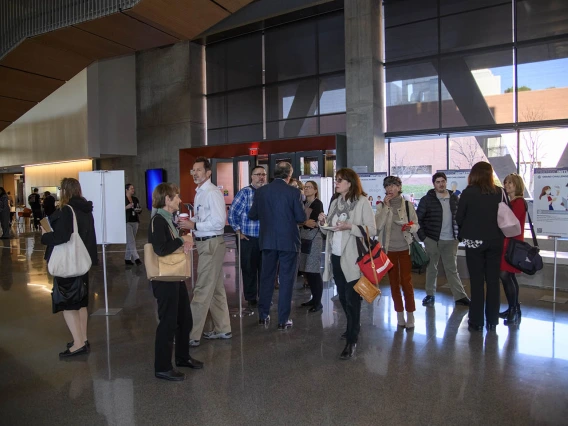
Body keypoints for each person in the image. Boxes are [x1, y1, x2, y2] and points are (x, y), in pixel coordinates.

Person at [318, 168, 375, 360]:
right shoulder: (335, 202)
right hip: (335, 256)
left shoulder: (361, 202)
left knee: (352, 299)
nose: (337, 182)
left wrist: (350, 226)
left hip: (353, 259)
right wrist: (322, 222)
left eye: (340, 180)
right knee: (342, 297)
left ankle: (352, 339)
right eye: (336, 179)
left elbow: (372, 230)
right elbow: (328, 232)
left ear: (350, 182)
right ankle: (353, 325)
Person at [149, 183, 203, 381]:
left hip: (174, 275)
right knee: (168, 322)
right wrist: (182, 240)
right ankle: (162, 366)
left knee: (184, 318)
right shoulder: (158, 221)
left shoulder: (167, 219)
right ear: (167, 200)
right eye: (176, 197)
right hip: (164, 279)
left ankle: (182, 357)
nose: (180, 200)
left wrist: (182, 238)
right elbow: (161, 249)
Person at [40, 178, 98, 357]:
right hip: (82, 262)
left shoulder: (67, 210)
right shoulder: (86, 208)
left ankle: (78, 344)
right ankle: (83, 338)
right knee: (80, 303)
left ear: (64, 191)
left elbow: (62, 237)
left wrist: (45, 236)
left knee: (68, 305)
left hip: (68, 265)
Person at [178, 157, 231, 346]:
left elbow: (219, 222)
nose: (195, 173)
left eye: (199, 170)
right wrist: (191, 226)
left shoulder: (212, 192)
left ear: (208, 172)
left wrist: (195, 224)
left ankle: (190, 335)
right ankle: (223, 328)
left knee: (201, 290)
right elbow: (203, 218)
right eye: (193, 170)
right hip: (204, 242)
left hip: (211, 244)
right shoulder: (200, 192)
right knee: (215, 289)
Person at [248, 161, 305, 330]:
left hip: (267, 241)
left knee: (266, 278)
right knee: (286, 280)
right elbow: (301, 217)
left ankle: (263, 315)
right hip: (289, 242)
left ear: (273, 174)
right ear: (289, 175)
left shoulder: (261, 192)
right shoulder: (294, 192)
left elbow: (252, 215)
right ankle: (283, 319)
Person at [456, 161, 504, 332]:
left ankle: (476, 321)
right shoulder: (500, 192)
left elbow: (459, 217)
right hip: (495, 240)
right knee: (493, 281)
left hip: (474, 241)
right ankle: (492, 319)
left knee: (477, 281)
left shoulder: (468, 193)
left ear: (474, 174)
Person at [416, 172, 470, 307]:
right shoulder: (427, 200)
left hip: (451, 240)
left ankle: (460, 296)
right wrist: (424, 238)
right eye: (438, 182)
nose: (441, 184)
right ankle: (430, 295)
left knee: (452, 269)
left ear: (446, 182)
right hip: (432, 239)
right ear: (434, 184)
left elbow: (461, 218)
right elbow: (417, 220)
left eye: (443, 181)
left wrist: (459, 236)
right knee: (431, 268)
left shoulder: (454, 199)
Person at [375, 176, 419, 329]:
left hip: (405, 248)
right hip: (388, 250)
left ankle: (411, 314)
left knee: (406, 282)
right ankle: (399, 314)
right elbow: (377, 226)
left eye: (393, 185)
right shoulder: (381, 206)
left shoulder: (407, 205)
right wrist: (386, 207)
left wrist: (410, 227)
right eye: (387, 186)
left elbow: (416, 224)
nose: (390, 189)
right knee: (393, 283)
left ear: (399, 187)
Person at [228, 166, 267, 308]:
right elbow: (232, 213)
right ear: (252, 177)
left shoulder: (268, 192)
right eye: (258, 174)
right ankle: (251, 298)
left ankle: (264, 297)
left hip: (265, 239)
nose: (261, 177)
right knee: (249, 269)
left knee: (265, 270)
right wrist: (238, 231)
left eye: (263, 174)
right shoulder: (244, 193)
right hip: (248, 239)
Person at [499, 173, 527, 326]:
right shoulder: (512, 201)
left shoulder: (518, 202)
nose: (507, 185)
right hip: (509, 244)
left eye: (511, 183)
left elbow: (509, 224)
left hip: (511, 245)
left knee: (505, 275)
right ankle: (514, 308)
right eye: (506, 182)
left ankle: (513, 310)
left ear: (517, 185)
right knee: (510, 277)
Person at [299, 180, 324, 312]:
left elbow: (313, 223)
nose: (306, 189)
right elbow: (302, 221)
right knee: (307, 270)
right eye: (305, 187)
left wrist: (301, 222)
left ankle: (318, 302)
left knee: (313, 270)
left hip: (314, 239)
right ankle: (313, 299)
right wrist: (303, 222)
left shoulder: (317, 203)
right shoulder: (303, 203)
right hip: (303, 239)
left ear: (315, 190)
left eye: (309, 187)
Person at [125, 184, 142, 266]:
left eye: (133, 188)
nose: (133, 190)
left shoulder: (135, 199)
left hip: (135, 221)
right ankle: (136, 258)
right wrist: (126, 207)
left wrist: (138, 210)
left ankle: (127, 259)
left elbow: (139, 209)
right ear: (126, 189)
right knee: (131, 240)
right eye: (131, 188)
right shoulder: (123, 199)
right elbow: (118, 209)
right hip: (127, 222)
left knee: (130, 241)